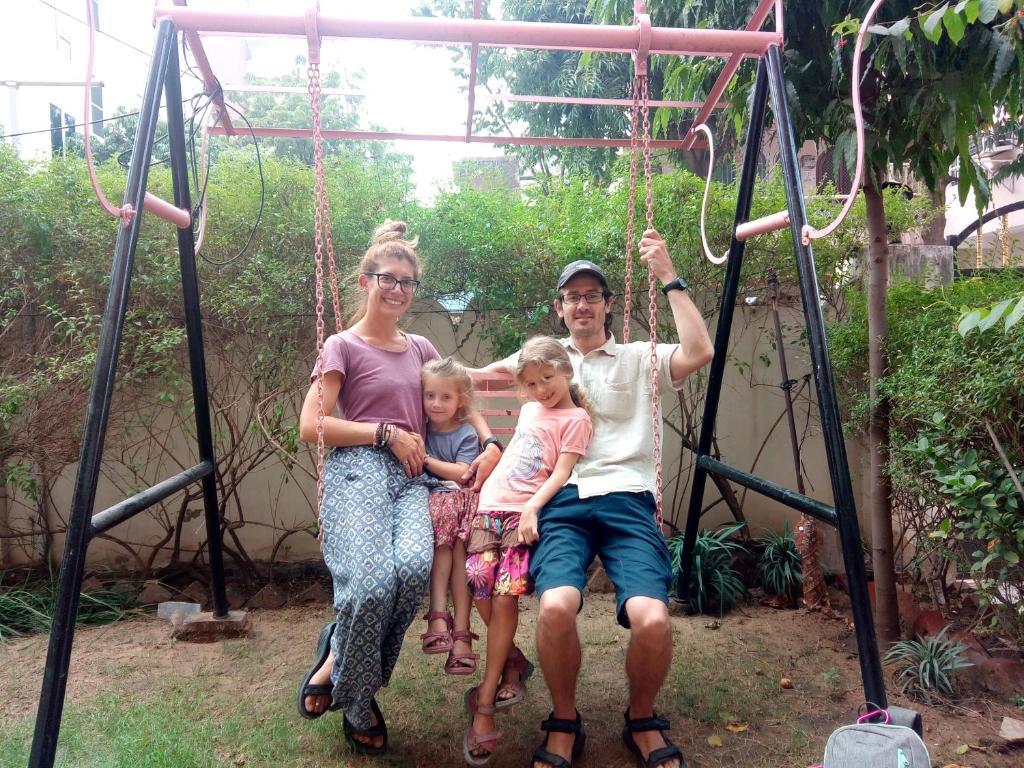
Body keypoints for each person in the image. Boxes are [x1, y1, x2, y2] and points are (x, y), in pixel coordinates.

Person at [466, 229, 714, 768]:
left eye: (592, 294)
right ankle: (564, 719)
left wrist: (668, 273)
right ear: (560, 309)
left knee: (652, 619)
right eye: (572, 296)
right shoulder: (540, 364)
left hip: (627, 499)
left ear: (606, 305)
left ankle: (642, 718)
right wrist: (405, 352)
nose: (582, 303)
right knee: (556, 606)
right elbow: (471, 380)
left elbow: (700, 351)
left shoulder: (636, 357)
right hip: (560, 501)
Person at [294, 220, 439, 756]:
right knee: (372, 585)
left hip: (412, 480)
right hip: (358, 470)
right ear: (365, 280)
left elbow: (457, 395)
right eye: (387, 278)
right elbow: (312, 425)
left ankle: (338, 656)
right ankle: (359, 703)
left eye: (407, 281)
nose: (397, 289)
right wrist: (386, 433)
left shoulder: (421, 348)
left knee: (412, 570)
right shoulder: (342, 346)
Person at [463, 336, 593, 767]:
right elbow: (509, 364)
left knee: (503, 597)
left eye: (548, 379)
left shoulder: (575, 419)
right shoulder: (532, 406)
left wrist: (533, 508)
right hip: (488, 508)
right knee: (478, 586)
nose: (541, 390)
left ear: (566, 370)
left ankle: (484, 704)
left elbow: (560, 472)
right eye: (533, 383)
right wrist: (471, 373)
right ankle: (513, 661)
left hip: (521, 516)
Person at [419, 356, 482, 676]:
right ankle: (441, 616)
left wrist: (426, 459)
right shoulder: (418, 427)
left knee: (458, 550)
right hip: (435, 504)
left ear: (461, 400)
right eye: (430, 395)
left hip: (458, 502)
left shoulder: (465, 433)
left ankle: (453, 625)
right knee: (446, 545)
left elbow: (461, 474)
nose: (436, 403)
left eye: (445, 397)